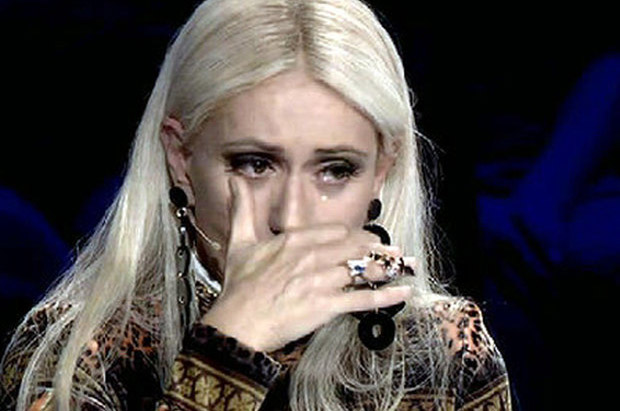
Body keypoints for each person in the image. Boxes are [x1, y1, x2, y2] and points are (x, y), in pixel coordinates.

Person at [0, 0, 511, 409]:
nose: (291, 217)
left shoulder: (444, 351)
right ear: (181, 158)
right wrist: (229, 349)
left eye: (336, 170)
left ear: (381, 172)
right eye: (254, 164)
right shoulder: (77, 349)